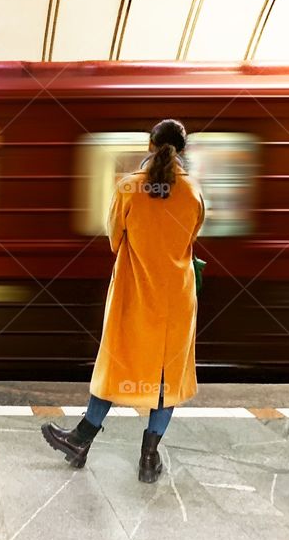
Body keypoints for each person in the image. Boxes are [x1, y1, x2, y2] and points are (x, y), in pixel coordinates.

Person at [41, 119, 205, 483]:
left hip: (133, 292)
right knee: (165, 376)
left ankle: (81, 439)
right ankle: (149, 458)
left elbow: (115, 239)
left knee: (117, 365)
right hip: (176, 298)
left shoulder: (128, 188)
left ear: (151, 145)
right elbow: (192, 237)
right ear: (182, 149)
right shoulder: (193, 192)